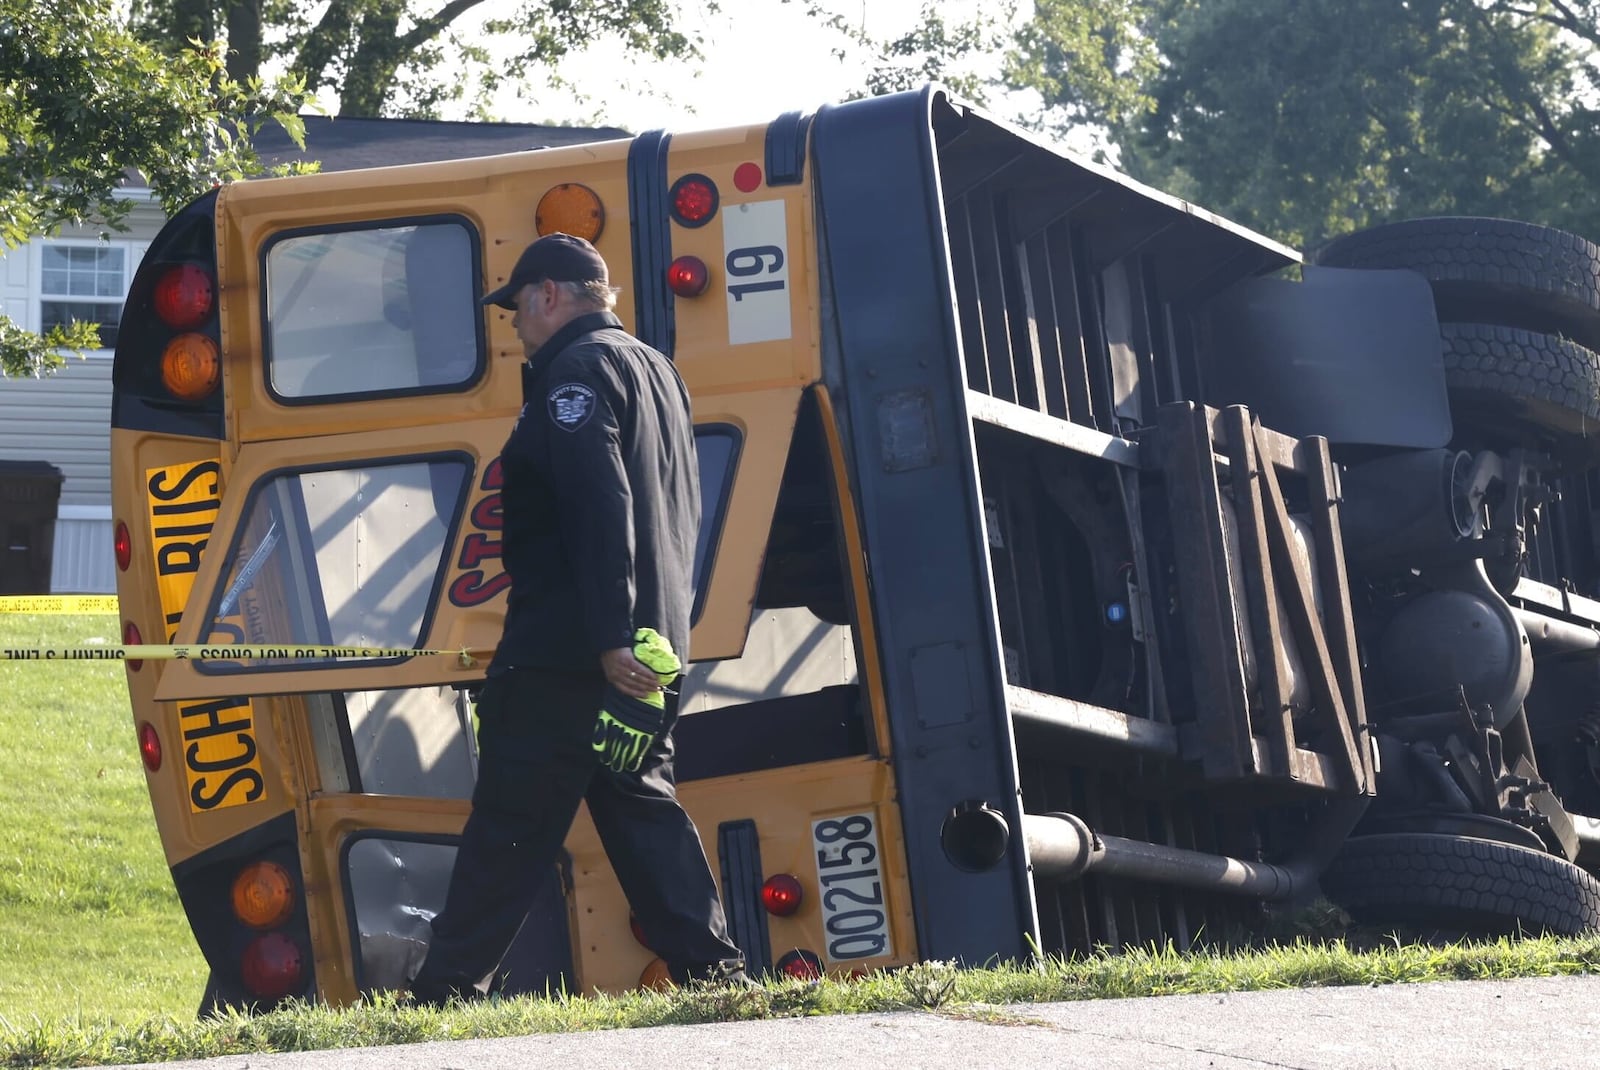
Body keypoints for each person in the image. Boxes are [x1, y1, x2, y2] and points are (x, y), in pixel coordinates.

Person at [408, 232, 746, 1005]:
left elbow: (602, 505)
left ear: (550, 296)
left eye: (516, 310)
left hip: (571, 652)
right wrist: (638, 637)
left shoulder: (575, 374)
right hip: (647, 652)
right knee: (641, 811)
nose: (514, 328)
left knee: (508, 826)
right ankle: (717, 977)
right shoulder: (658, 371)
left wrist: (605, 637)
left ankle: (446, 993)